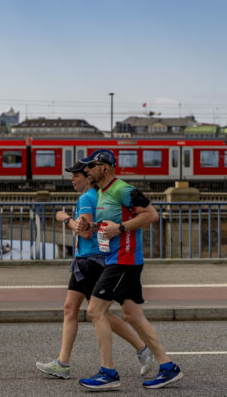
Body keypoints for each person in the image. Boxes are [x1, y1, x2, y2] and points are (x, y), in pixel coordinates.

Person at [75, 149, 183, 390]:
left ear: (104, 168)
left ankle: (108, 373)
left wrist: (121, 228)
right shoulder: (102, 193)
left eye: (90, 166)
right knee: (133, 315)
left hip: (124, 260)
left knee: (95, 310)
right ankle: (168, 367)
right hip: (120, 259)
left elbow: (152, 215)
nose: (86, 171)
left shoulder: (122, 189)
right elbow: (110, 223)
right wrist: (90, 225)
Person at [36, 160, 154, 380]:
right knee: (70, 308)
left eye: (76, 175)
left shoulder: (87, 198)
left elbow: (85, 232)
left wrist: (65, 218)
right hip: (86, 261)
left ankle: (141, 348)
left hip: (91, 262)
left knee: (98, 312)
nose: (72, 179)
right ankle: (63, 363)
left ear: (87, 177)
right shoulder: (94, 197)